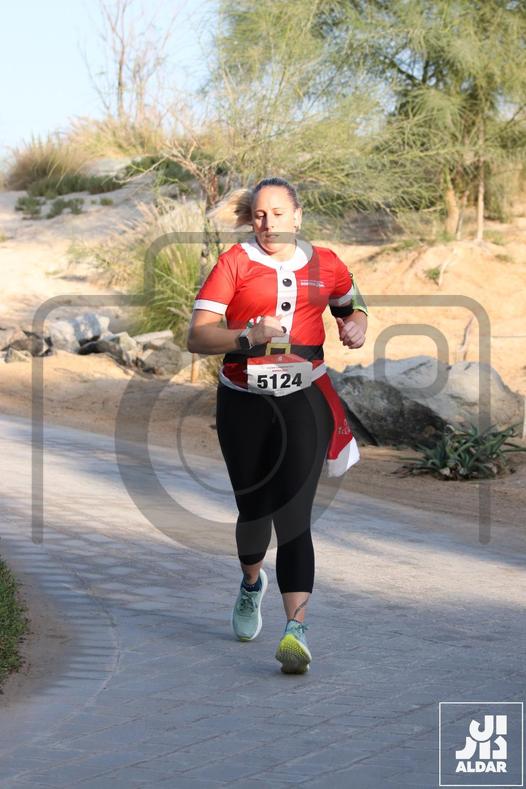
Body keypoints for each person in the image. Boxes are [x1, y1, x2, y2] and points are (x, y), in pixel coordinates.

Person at [187, 177, 368, 674]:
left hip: (304, 399)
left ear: (298, 216)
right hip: (244, 401)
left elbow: (351, 303)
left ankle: (296, 630)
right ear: (252, 219)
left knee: (293, 516)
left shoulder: (327, 262)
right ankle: (251, 583)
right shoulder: (234, 263)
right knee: (253, 513)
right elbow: (197, 337)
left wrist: (357, 323)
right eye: (260, 215)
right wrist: (246, 336)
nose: (268, 224)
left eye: (279, 214)